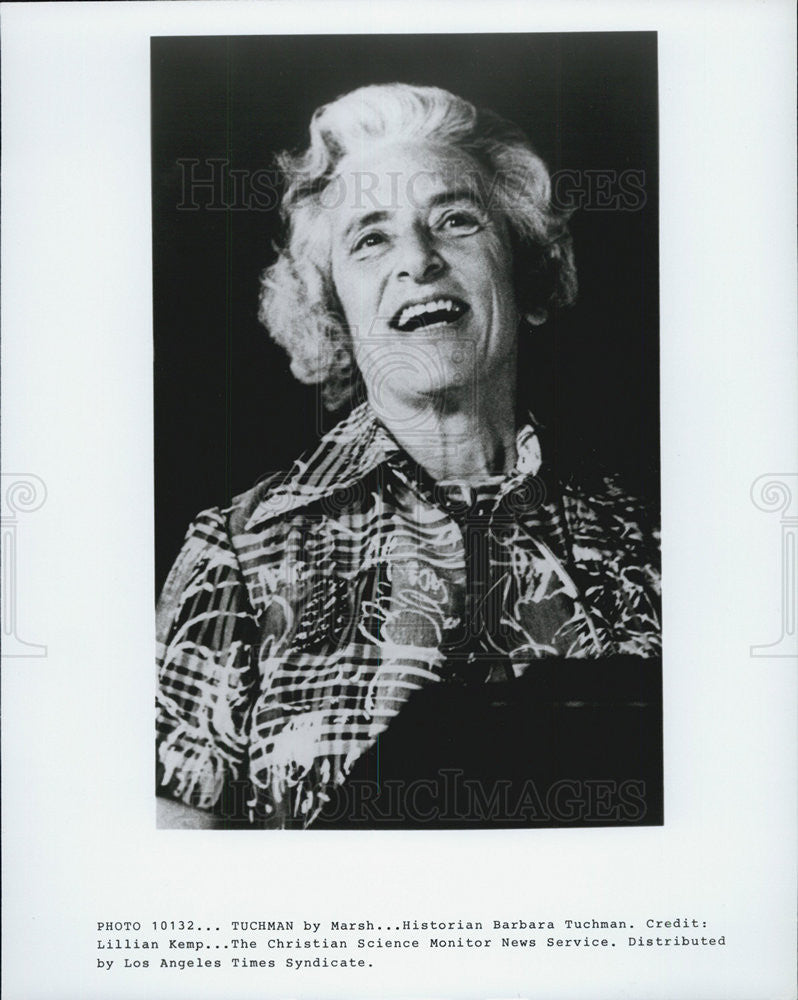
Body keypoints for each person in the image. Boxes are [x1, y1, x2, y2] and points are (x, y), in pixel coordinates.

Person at [156, 83, 661, 829]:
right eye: (370, 238)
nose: (419, 261)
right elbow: (167, 847)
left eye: (456, 220)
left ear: (524, 272)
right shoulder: (237, 550)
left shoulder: (655, 540)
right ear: (333, 311)